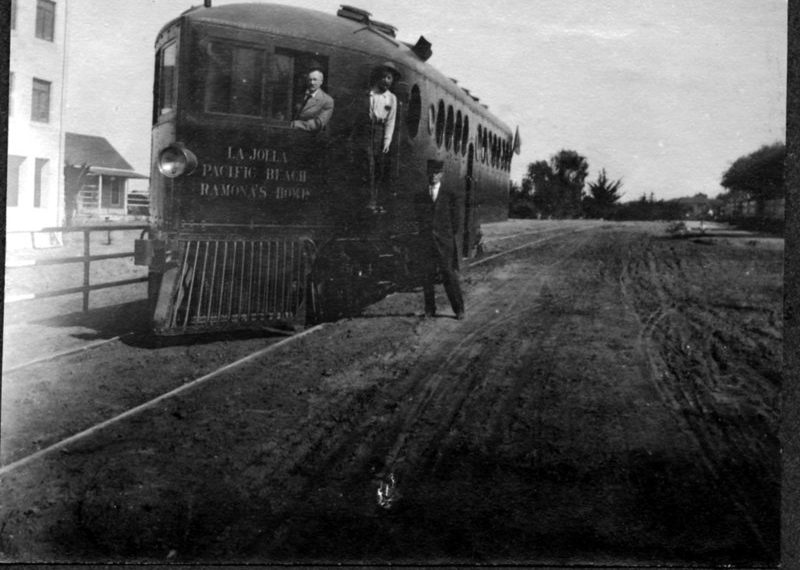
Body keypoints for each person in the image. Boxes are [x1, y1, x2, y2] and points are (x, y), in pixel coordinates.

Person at [415, 161, 465, 320]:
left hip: (444, 242)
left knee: (448, 275)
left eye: (436, 173)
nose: (433, 175)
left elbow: (456, 221)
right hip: (426, 242)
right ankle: (430, 309)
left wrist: (446, 236)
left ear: (441, 174)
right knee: (427, 276)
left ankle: (459, 310)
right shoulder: (421, 195)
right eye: (430, 172)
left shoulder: (449, 194)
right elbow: (418, 217)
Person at [360, 62, 400, 211]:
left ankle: (376, 199)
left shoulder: (391, 99)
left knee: (379, 166)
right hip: (366, 130)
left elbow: (391, 121)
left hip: (379, 131)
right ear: (378, 78)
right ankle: (368, 200)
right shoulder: (369, 94)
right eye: (384, 77)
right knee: (368, 164)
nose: (386, 81)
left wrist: (387, 140)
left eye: (389, 78)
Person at [290, 67, 334, 132]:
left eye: (315, 80)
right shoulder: (300, 96)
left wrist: (295, 124)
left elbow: (318, 124)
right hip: (292, 133)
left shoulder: (327, 100)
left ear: (321, 81)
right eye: (309, 80)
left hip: (311, 137)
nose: (312, 82)